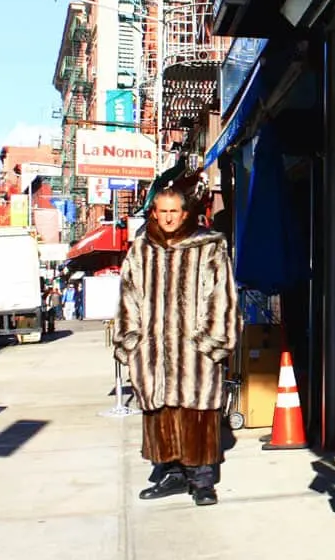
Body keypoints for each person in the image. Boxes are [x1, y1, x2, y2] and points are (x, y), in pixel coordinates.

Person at [113, 187, 240, 507]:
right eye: (162, 211)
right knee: (161, 413)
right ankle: (170, 472)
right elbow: (128, 296)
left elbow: (222, 296)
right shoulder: (141, 249)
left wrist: (211, 343)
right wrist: (131, 341)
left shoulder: (209, 246)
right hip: (152, 351)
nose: (168, 218)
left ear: (185, 213)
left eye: (174, 211)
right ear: (154, 213)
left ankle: (202, 481)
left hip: (194, 352)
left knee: (197, 414)